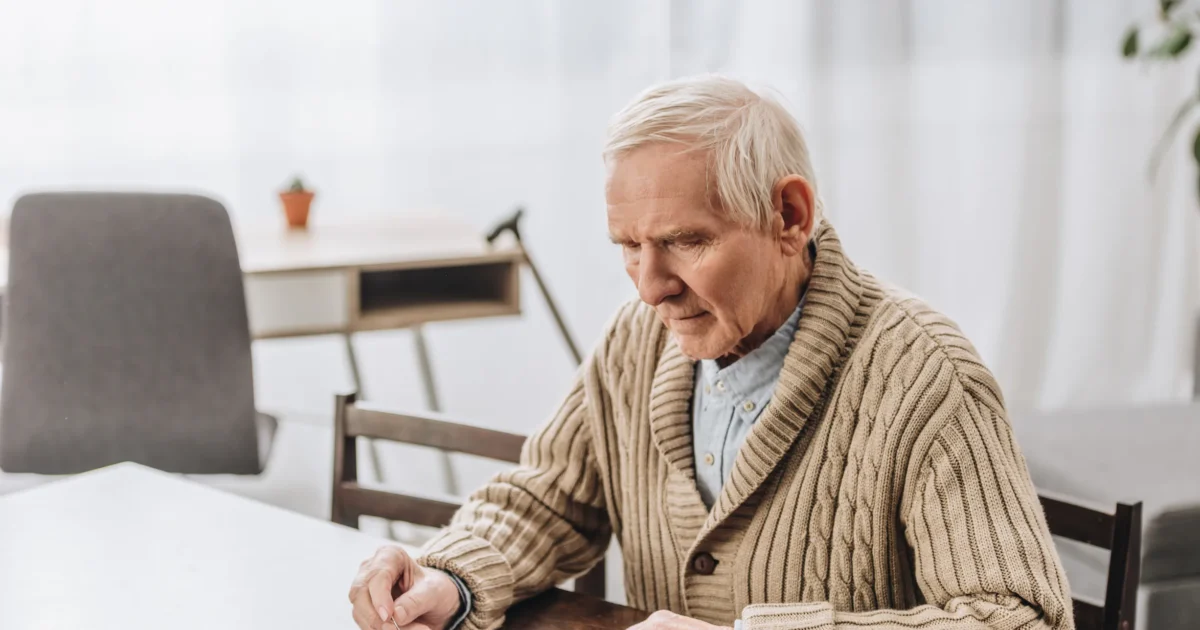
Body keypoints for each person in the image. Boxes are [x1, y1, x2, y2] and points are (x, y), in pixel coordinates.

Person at [349, 75, 1073, 630]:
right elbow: (551, 500)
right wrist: (451, 577)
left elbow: (1021, 616)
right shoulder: (638, 341)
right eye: (629, 247)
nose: (651, 288)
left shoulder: (927, 378)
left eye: (686, 241)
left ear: (788, 216)